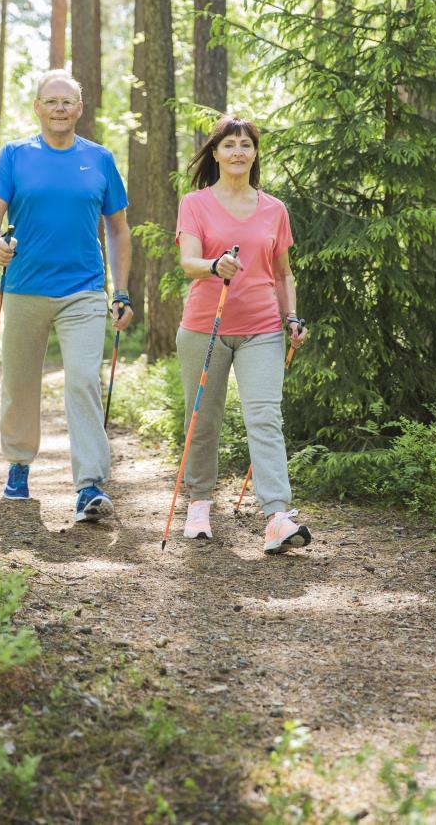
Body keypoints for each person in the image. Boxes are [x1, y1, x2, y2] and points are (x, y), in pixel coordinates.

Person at [0, 69, 133, 523]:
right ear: (37, 107)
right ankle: (19, 465)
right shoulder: (14, 155)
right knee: (20, 383)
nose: (60, 108)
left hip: (83, 291)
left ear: (80, 108)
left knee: (84, 378)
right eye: (51, 101)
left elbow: (119, 230)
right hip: (25, 287)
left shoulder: (100, 159)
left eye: (68, 101)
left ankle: (89, 485)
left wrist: (119, 290)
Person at [175, 115, 311, 554]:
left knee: (265, 417)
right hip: (204, 328)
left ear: (255, 154)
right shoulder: (194, 203)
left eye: (246, 145)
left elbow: (282, 272)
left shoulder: (274, 209)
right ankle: (198, 504)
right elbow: (189, 262)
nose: (238, 152)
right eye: (229, 145)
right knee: (203, 418)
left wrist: (291, 316)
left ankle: (277, 516)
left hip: (262, 330)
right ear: (215, 153)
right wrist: (215, 265)